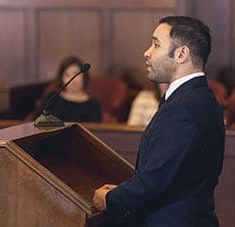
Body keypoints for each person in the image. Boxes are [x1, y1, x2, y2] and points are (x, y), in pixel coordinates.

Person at [93, 16, 225, 226]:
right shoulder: (200, 97)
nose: (147, 53)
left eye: (156, 45)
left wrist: (110, 199)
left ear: (181, 54)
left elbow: (156, 180)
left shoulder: (183, 109)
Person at [30, 56, 102, 122]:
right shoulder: (52, 98)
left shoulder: (93, 105)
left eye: (75, 73)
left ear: (84, 76)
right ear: (62, 79)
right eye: (67, 75)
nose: (73, 79)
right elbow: (37, 121)